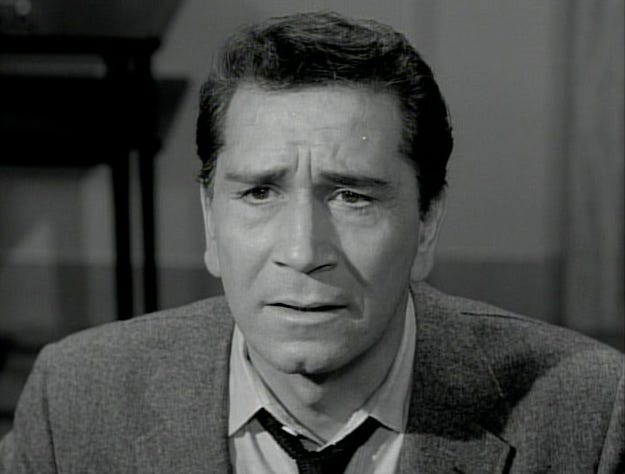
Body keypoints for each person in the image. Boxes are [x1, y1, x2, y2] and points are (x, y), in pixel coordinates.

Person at [1, 11, 623, 474]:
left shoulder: (589, 416)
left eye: (352, 196)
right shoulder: (74, 403)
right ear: (211, 223)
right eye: (259, 193)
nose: (302, 252)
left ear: (427, 222)